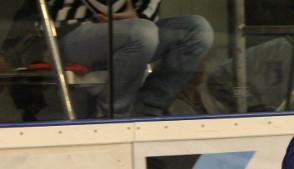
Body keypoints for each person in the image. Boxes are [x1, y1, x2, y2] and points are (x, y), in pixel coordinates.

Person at [44, 0, 213, 117]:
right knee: (142, 33)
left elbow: (147, 13)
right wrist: (134, 20)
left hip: (133, 29)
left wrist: (136, 17)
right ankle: (113, 115)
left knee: (197, 30)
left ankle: (148, 109)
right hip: (70, 31)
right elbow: (106, 6)